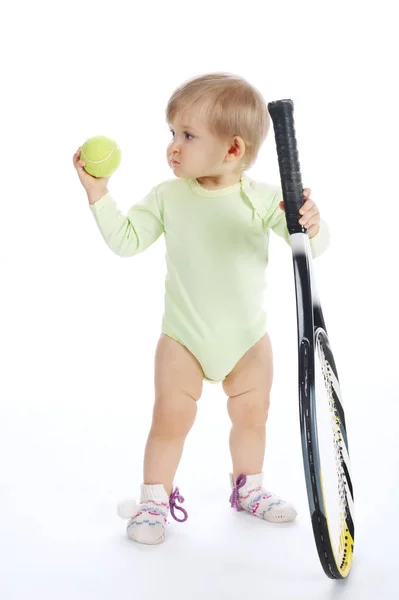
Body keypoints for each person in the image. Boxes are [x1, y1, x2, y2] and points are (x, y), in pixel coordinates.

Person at [73, 72, 330, 545]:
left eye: (187, 136)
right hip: (183, 339)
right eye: (172, 134)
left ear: (233, 150)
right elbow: (127, 241)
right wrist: (98, 194)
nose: (173, 146)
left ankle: (248, 489)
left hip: (249, 340)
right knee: (170, 418)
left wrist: (311, 225)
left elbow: (310, 247)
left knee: (253, 416)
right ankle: (154, 501)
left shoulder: (264, 199)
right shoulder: (168, 197)